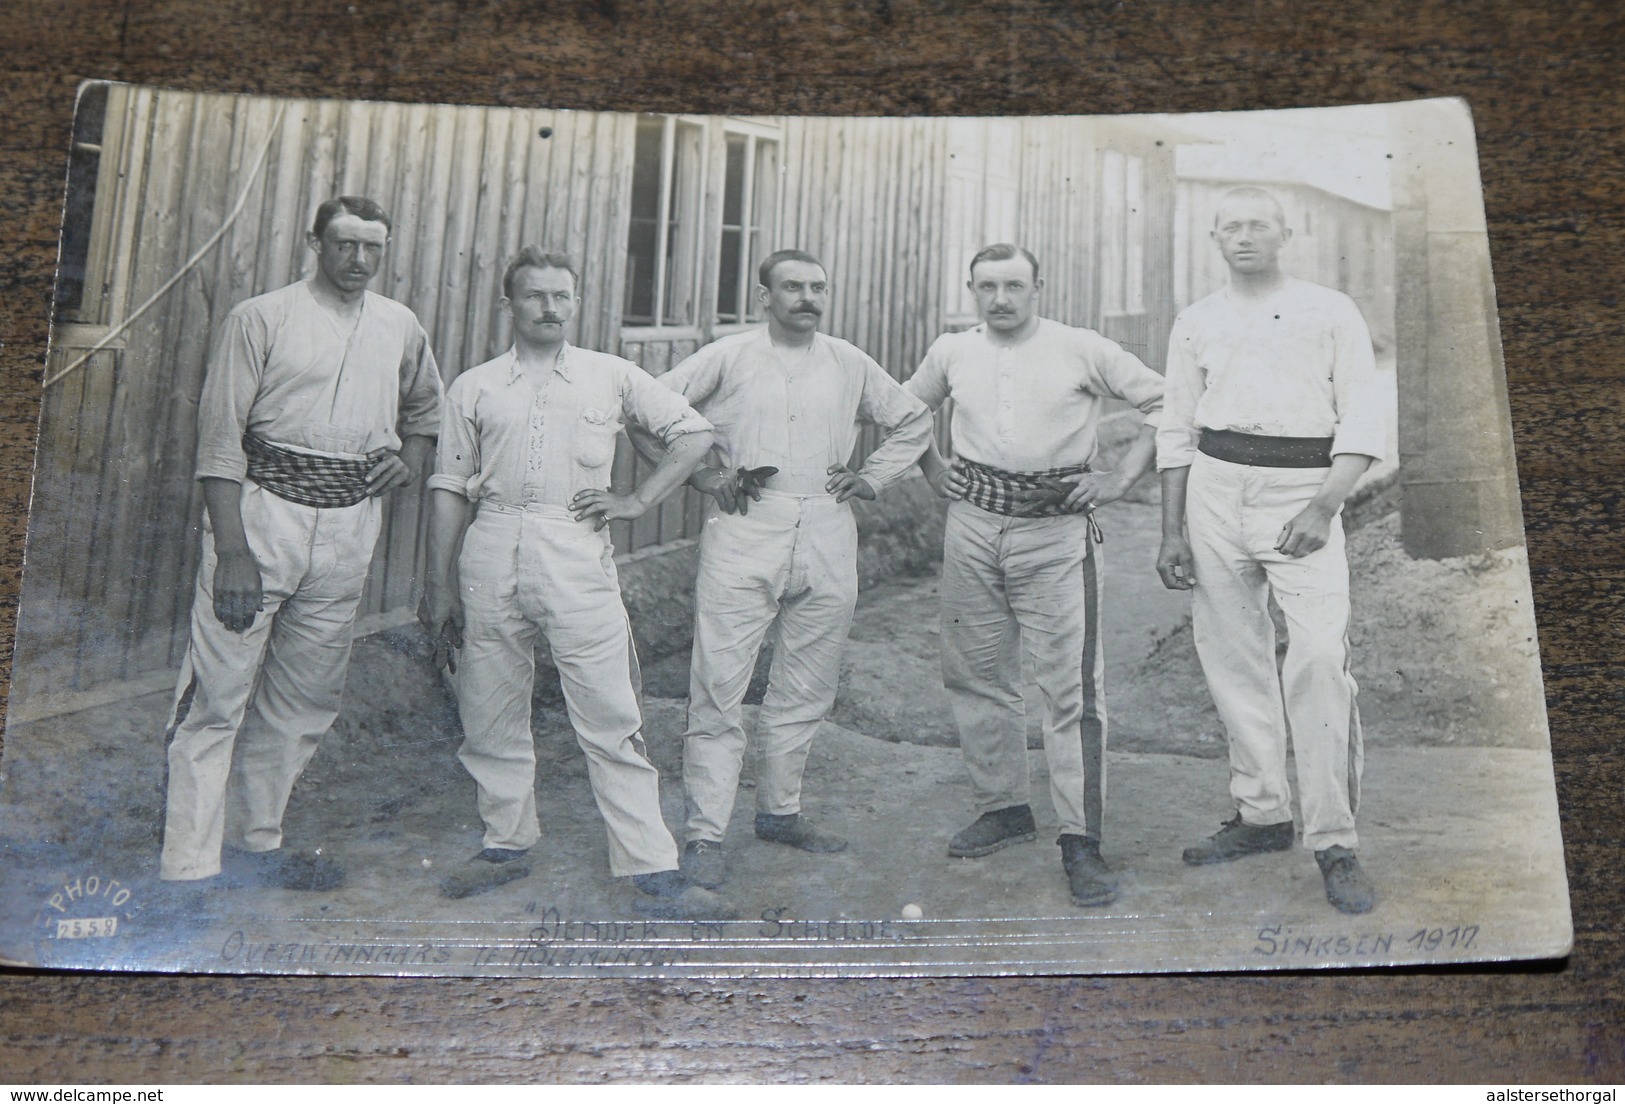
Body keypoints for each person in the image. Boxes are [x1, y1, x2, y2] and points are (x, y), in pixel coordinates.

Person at [420, 247, 730, 918]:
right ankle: (505, 842)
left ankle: (649, 865)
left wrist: (638, 499)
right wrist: (438, 584)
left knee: (610, 711)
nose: (549, 307)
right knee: (489, 708)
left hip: (574, 547)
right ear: (510, 305)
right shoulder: (474, 386)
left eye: (562, 295)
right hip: (491, 541)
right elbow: (448, 486)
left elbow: (694, 434)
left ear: (575, 301)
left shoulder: (610, 376)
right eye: (534, 296)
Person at [160, 196, 443, 888]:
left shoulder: (398, 325)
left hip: (349, 526)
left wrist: (406, 456)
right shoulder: (261, 317)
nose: (359, 261)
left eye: (372, 247)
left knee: (304, 700)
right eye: (344, 245)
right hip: (263, 516)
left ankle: (257, 845)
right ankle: (187, 871)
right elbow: (221, 440)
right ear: (314, 242)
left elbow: (428, 409)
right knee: (217, 698)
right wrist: (232, 549)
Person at [635, 249, 932, 890]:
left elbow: (914, 419)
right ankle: (706, 834)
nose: (806, 298)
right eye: (792, 287)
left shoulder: (849, 360)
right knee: (720, 684)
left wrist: (874, 477)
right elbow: (645, 411)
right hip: (746, 522)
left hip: (828, 522)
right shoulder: (728, 354)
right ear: (764, 295)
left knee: (806, 681)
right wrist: (704, 476)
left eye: (817, 287)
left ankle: (781, 812)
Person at [906, 243, 1164, 909]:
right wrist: (932, 468)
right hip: (970, 527)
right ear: (970, 290)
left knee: (1068, 691)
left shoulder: (1080, 348)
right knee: (975, 673)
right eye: (986, 286)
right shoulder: (952, 352)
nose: (999, 298)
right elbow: (903, 412)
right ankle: (1003, 806)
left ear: (1037, 288)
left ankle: (1080, 839)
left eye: (1013, 285)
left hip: (1055, 534)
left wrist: (1117, 476)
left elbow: (1169, 405)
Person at [1155, 186, 1386, 915]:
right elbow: (1175, 429)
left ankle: (1334, 840)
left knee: (1317, 659)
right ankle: (1260, 813)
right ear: (1214, 238)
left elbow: (1363, 416)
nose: (1244, 237)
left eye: (1259, 225)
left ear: (1285, 233)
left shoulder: (1329, 310)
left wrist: (1325, 504)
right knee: (1231, 654)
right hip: (1216, 489)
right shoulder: (1195, 320)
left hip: (1302, 489)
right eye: (1231, 226)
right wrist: (1170, 530)